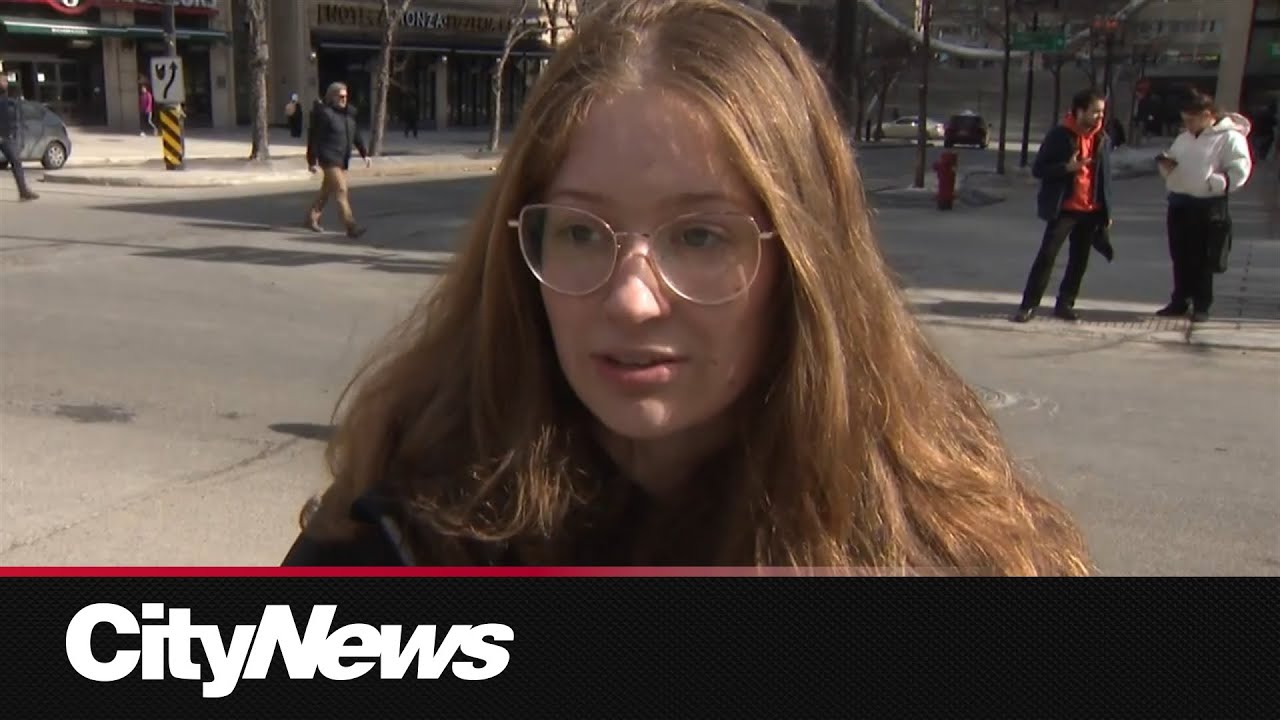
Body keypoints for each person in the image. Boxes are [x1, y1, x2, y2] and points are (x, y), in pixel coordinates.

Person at [282, 0, 1092, 574]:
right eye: (580, 232)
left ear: (804, 263)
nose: (632, 301)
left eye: (700, 236)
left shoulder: (946, 551)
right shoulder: (398, 542)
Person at [1011, 89, 1114, 323]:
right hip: (1064, 207)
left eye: (1102, 112)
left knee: (1079, 260)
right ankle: (1029, 305)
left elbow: (1105, 177)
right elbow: (1039, 169)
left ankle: (1066, 303)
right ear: (1080, 111)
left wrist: (1106, 210)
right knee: (1047, 255)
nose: (1100, 116)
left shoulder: (1102, 138)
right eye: (1095, 112)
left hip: (1090, 209)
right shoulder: (1059, 135)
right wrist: (1066, 169)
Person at [1154, 90, 1253, 323]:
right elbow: (1175, 157)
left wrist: (1217, 182)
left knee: (1202, 257)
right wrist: (1167, 167)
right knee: (1180, 255)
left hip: (1208, 204)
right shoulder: (1185, 137)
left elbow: (1240, 169)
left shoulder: (1229, 137)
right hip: (1179, 201)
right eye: (1185, 120)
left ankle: (1202, 303)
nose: (1187, 125)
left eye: (1191, 120)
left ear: (1207, 115)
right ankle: (1180, 299)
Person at [304, 81, 371, 239]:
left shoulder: (348, 115)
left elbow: (356, 135)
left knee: (326, 190)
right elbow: (315, 138)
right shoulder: (325, 114)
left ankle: (311, 218)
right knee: (341, 189)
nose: (344, 99)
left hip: (341, 159)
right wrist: (312, 161)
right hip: (328, 158)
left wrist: (364, 154)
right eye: (341, 96)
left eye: (345, 96)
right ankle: (351, 226)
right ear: (332, 97)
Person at [0, 74, 39, 201]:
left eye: (6, 81)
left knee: (16, 162)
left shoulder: (6, 98)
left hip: (6, 136)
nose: (5, 83)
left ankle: (23, 191)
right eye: (2, 81)